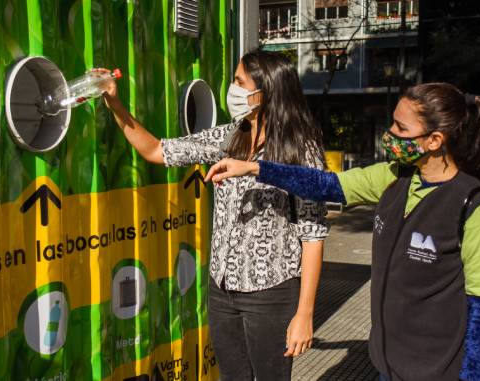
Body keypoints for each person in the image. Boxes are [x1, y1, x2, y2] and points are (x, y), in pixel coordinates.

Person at [205, 83, 480, 381]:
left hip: (439, 372)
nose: (390, 134)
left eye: (401, 129)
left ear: (434, 140)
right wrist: (255, 169)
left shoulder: (477, 210)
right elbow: (325, 185)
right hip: (388, 366)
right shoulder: (393, 178)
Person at [101, 50, 328, 381]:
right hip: (222, 288)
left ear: (266, 91)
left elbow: (313, 235)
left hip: (271, 292)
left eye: (239, 82)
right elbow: (157, 150)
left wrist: (304, 314)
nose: (232, 89)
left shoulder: (300, 149)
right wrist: (114, 103)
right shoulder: (230, 136)